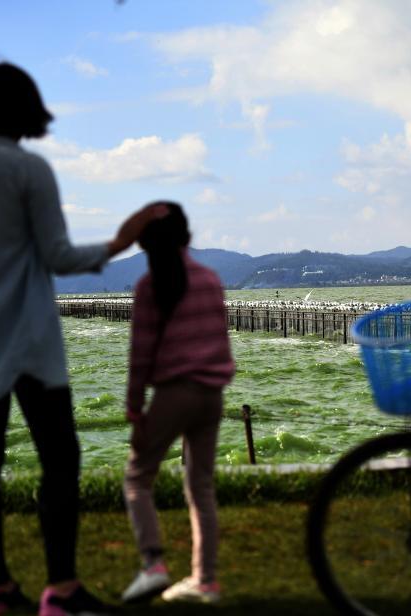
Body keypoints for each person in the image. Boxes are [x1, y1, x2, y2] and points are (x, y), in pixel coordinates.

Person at [0, 62, 163, 616]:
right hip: (30, 341)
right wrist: (118, 243)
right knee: (60, 459)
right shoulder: (28, 169)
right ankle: (60, 589)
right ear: (25, 109)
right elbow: (58, 255)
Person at [120, 202, 235, 605]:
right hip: (212, 395)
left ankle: (153, 564)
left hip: (174, 393)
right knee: (201, 486)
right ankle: (205, 580)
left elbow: (141, 356)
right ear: (188, 238)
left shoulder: (149, 287)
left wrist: (135, 410)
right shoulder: (210, 280)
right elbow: (222, 339)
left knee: (137, 478)